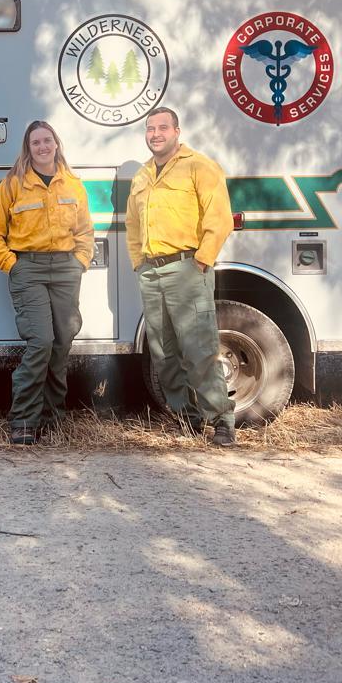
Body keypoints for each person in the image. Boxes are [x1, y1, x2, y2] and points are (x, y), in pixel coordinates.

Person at [125, 107, 238, 447]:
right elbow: (132, 224)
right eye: (150, 129)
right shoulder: (143, 175)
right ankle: (186, 419)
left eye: (162, 127)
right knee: (163, 353)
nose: (155, 134)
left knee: (199, 349)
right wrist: (138, 263)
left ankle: (221, 420)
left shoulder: (198, 166)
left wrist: (201, 262)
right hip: (152, 272)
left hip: (187, 269)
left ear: (176, 130)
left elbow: (220, 219)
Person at [0, 121, 94, 445]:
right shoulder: (14, 184)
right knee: (41, 342)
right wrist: (13, 266)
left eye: (47, 141)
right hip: (28, 269)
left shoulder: (73, 185)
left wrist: (80, 262)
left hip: (64, 269)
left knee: (61, 345)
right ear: (28, 149)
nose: (43, 147)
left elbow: (85, 231)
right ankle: (24, 419)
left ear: (56, 144)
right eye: (36, 143)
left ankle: (52, 417)